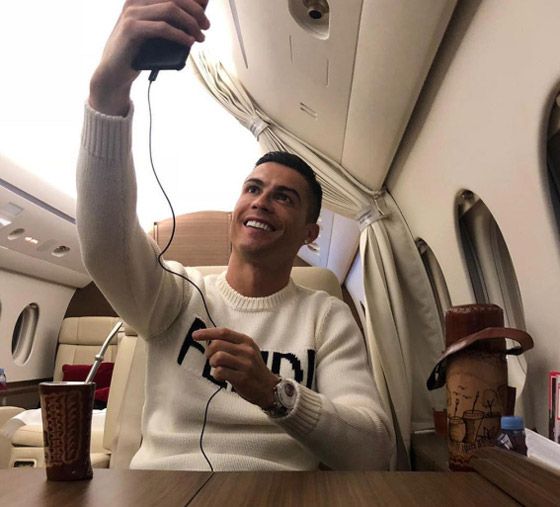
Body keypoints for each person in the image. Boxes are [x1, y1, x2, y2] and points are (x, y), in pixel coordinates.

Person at [77, 0, 394, 471]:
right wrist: (107, 92)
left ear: (310, 234)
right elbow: (105, 244)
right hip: (162, 492)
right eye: (253, 189)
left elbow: (374, 452)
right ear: (236, 212)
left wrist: (274, 392)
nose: (261, 202)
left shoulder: (326, 317)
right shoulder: (175, 296)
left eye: (284, 197)